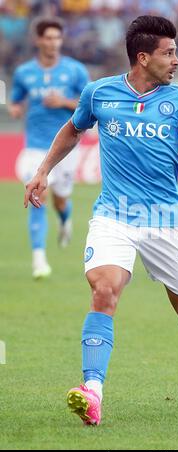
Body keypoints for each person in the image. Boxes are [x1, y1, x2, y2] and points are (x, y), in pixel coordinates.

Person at [24, 15, 178, 426]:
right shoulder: (100, 93)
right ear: (143, 57)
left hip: (167, 221)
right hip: (114, 216)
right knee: (104, 290)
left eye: (175, 52)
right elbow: (72, 130)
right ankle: (92, 391)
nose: (176, 60)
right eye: (169, 53)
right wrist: (43, 170)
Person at [9, 17, 89, 279]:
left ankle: (65, 219)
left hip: (66, 148)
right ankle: (39, 260)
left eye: (57, 38)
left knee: (60, 198)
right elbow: (16, 99)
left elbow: (88, 105)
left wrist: (63, 102)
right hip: (35, 148)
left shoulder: (75, 71)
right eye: (49, 38)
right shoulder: (24, 73)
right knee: (38, 197)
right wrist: (15, 108)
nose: (53, 42)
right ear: (38, 40)